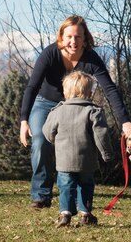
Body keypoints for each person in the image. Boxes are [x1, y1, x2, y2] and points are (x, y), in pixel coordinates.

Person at [19, 14, 131, 208]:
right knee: (40, 140)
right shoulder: (49, 54)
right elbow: (32, 86)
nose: (73, 41)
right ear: (61, 37)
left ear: (85, 38)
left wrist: (125, 121)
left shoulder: (91, 58)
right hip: (45, 102)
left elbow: (109, 89)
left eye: (78, 37)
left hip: (76, 106)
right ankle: (41, 194)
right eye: (69, 36)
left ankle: (80, 195)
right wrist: (24, 120)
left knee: (81, 144)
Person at [42, 70, 115, 227]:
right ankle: (85, 214)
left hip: (64, 161)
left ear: (66, 92)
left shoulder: (58, 111)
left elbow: (47, 132)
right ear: (89, 93)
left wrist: (55, 140)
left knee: (66, 186)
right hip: (86, 161)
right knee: (86, 185)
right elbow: (101, 136)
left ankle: (65, 214)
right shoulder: (93, 111)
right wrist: (107, 154)